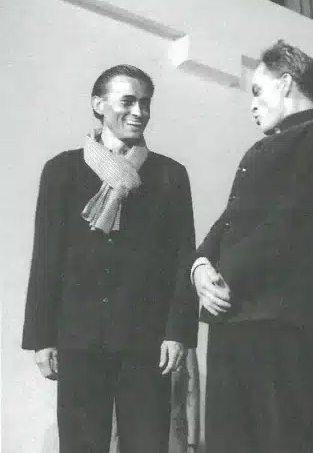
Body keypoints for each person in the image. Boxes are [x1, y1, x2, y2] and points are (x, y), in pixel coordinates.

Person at [191, 39, 313, 453]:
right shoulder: (259, 147)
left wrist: (223, 275)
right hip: (232, 316)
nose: (252, 104)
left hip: (282, 323)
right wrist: (199, 267)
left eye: (257, 91)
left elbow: (295, 218)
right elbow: (229, 219)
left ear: (286, 84)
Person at [22, 65, 198, 453]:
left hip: (147, 341)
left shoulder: (170, 175)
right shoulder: (61, 170)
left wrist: (178, 332)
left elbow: (184, 257)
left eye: (146, 103)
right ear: (98, 105)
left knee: (147, 444)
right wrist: (41, 337)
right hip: (79, 337)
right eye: (128, 101)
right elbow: (46, 256)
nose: (139, 112)